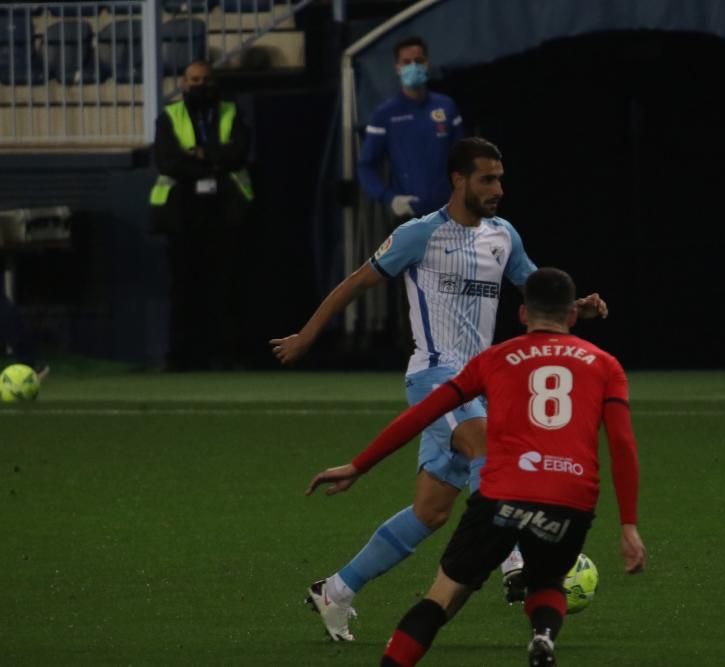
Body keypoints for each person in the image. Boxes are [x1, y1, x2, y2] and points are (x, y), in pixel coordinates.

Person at [270, 138, 608, 642]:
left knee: (430, 512)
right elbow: (355, 283)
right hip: (434, 377)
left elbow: (537, 291)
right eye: (487, 179)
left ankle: (335, 590)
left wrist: (576, 306)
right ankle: (515, 561)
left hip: (480, 385)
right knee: (491, 450)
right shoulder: (420, 234)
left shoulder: (503, 236)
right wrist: (306, 336)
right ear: (458, 180)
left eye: (500, 178)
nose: (498, 189)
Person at [305, 267, 645, 666]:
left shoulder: (496, 359)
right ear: (572, 315)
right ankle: (542, 635)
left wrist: (360, 465)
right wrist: (628, 525)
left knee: (442, 597)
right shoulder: (605, 364)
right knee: (549, 580)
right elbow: (622, 445)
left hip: (501, 497)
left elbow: (423, 414)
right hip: (569, 499)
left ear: (523, 314)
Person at [149, 59, 253, 371]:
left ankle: (225, 355)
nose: (200, 85)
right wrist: (212, 163)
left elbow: (239, 152)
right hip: (182, 212)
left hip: (225, 210)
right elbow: (167, 161)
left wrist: (203, 154)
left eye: (205, 80)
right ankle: (181, 357)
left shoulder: (231, 112)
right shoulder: (169, 116)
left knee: (225, 286)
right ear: (184, 83)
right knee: (183, 287)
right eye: (194, 80)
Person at [358, 36, 464, 219]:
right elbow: (366, 165)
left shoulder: (446, 107)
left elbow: (465, 158)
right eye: (406, 62)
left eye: (418, 61)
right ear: (397, 68)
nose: (413, 66)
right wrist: (389, 198)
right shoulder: (385, 114)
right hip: (410, 214)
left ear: (427, 64)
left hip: (450, 212)